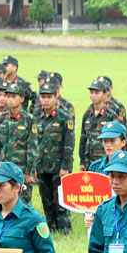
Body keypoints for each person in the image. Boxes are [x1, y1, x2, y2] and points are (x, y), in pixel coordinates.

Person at [33, 81, 75, 234]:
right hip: (42, 166)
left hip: (58, 168)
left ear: (56, 97)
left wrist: (66, 167)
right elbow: (33, 144)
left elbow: (69, 145)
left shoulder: (64, 117)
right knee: (46, 200)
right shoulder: (36, 117)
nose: (46, 100)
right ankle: (51, 228)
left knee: (61, 200)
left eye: (49, 97)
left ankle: (64, 230)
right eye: (43, 97)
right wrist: (34, 167)